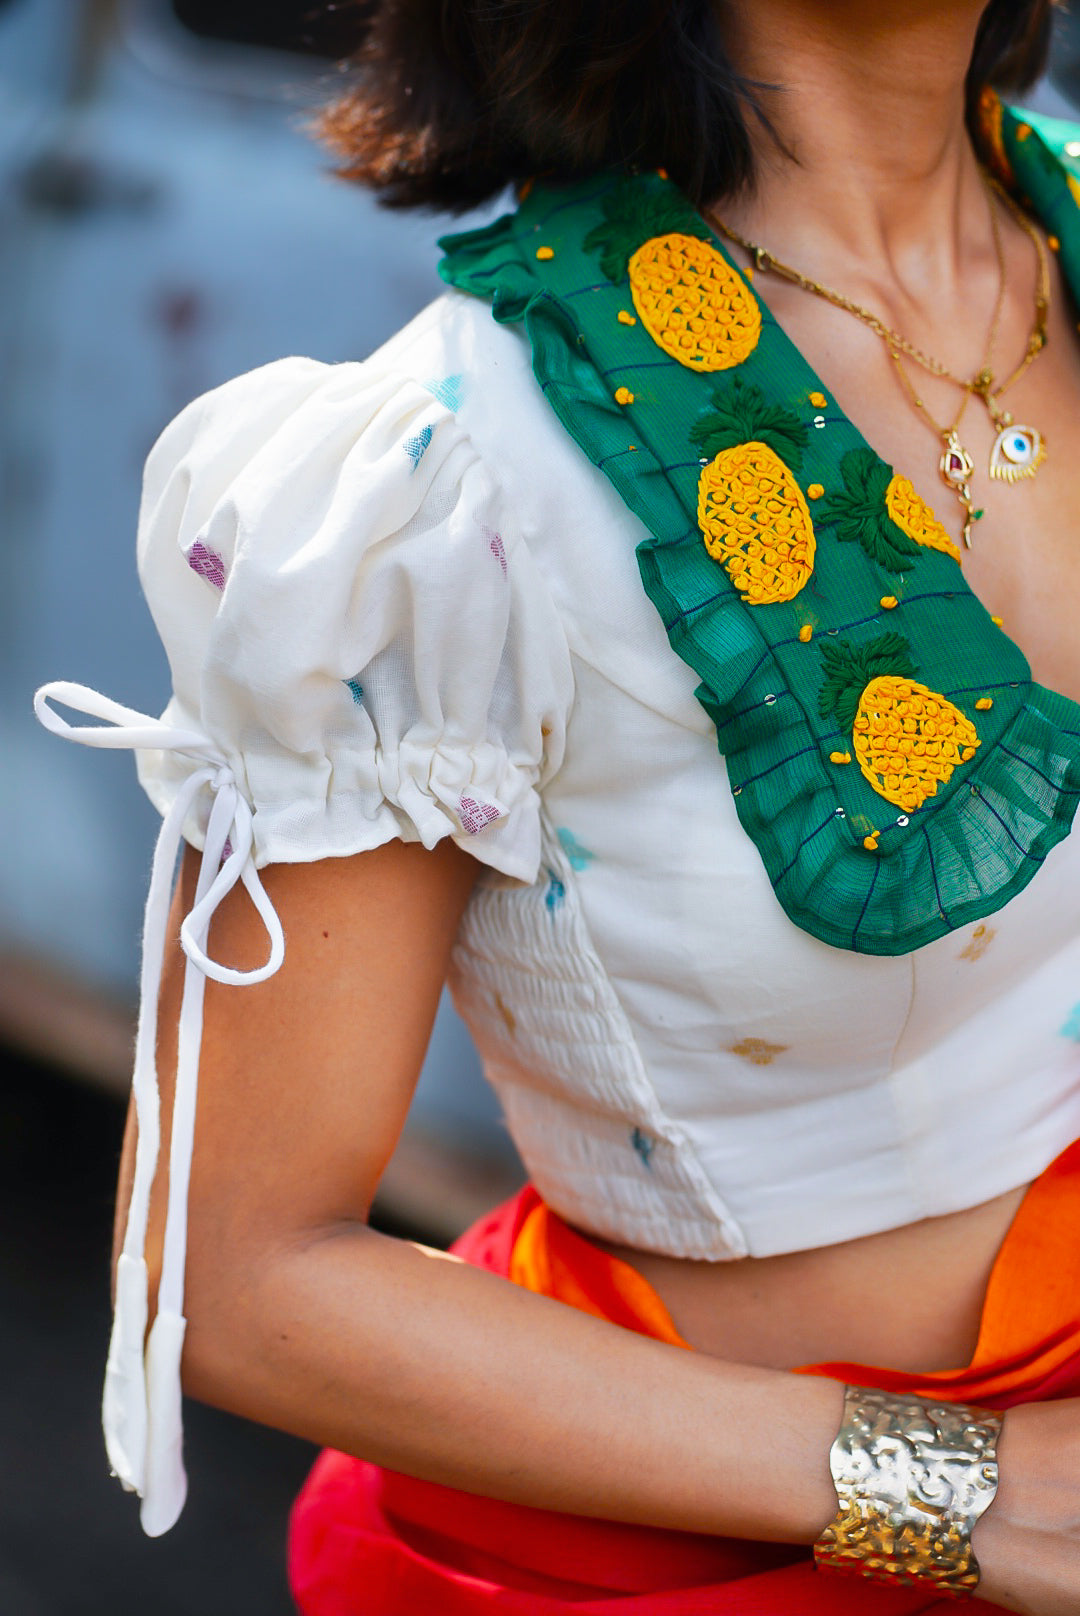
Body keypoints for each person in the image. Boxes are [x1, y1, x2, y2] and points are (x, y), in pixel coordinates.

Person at [34, 1, 1080, 1610]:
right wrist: (949, 1493)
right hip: (750, 1550)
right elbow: (234, 1277)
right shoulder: (454, 483)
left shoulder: (1062, 231)